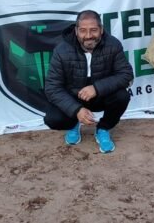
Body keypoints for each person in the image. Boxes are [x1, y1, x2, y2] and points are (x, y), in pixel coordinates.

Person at [43, 10, 133, 153]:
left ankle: (103, 128)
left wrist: (96, 88)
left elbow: (126, 74)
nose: (89, 36)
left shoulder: (113, 44)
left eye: (94, 30)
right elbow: (52, 87)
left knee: (122, 96)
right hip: (74, 97)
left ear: (101, 30)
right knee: (53, 119)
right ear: (76, 31)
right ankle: (74, 124)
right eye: (83, 31)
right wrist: (76, 109)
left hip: (100, 95)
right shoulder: (61, 50)